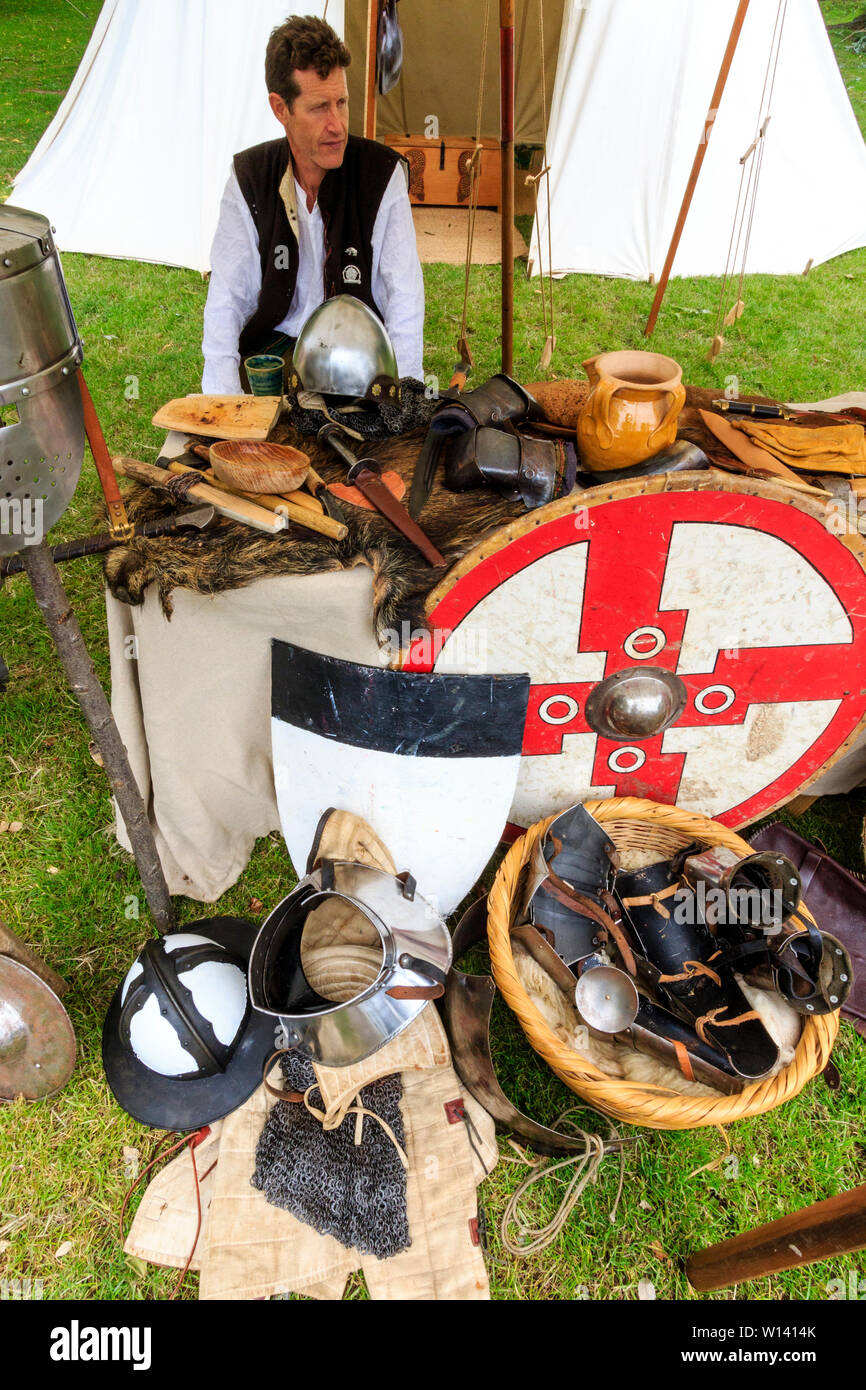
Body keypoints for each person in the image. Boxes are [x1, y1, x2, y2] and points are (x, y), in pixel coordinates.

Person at [202, 14, 424, 395]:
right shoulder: (250, 178)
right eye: (320, 107)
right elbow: (228, 299)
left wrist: (403, 396)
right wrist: (225, 403)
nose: (337, 124)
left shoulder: (380, 176)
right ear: (280, 108)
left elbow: (403, 297)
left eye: (342, 102)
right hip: (273, 354)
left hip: (358, 362)